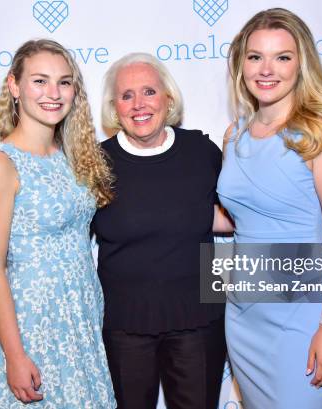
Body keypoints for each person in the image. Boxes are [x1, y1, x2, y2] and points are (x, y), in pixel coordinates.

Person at [217, 8, 322, 409]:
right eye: (255, 56)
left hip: (301, 319)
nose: (267, 69)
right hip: (244, 316)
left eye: (282, 57)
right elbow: (235, 216)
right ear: (240, 65)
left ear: (302, 65)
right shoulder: (236, 135)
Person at [0, 39, 116, 408]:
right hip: (35, 323)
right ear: (14, 86)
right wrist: (15, 356)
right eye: (40, 81)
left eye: (64, 82)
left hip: (81, 316)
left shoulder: (75, 158)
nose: (54, 93)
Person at [92, 52, 230, 409]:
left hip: (201, 320)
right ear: (114, 107)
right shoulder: (94, 164)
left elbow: (234, 216)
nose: (139, 104)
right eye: (126, 95)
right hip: (123, 324)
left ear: (168, 99)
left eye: (149, 91)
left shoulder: (202, 151)